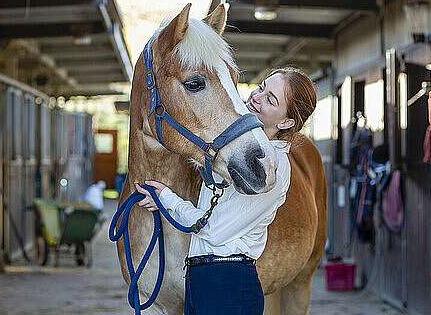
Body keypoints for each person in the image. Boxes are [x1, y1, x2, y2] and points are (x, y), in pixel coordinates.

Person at [135, 67, 317, 315]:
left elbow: (214, 229)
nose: (256, 97)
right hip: (202, 277)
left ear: (285, 122)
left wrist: (167, 199)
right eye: (262, 87)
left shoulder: (270, 168)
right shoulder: (234, 149)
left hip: (228, 282)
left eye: (270, 99)